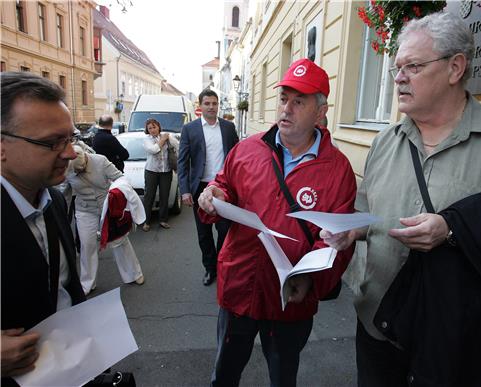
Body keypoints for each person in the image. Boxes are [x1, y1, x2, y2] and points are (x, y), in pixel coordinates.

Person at [320, 12, 481, 386]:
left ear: (455, 68)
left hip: (459, 340)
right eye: (396, 68)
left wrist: (455, 232)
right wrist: (349, 233)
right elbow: (366, 214)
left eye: (413, 66)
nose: (400, 77)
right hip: (378, 326)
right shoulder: (385, 143)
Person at [197, 58, 357, 386]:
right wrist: (213, 194)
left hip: (291, 297)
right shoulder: (247, 150)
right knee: (224, 373)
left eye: (299, 101)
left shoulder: (338, 169)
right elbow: (223, 184)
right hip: (240, 284)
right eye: (283, 98)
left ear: (321, 111)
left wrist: (312, 281)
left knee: (283, 376)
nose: (287, 108)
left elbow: (338, 236)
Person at [1, 72, 85, 385]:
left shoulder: (55, 200)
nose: (70, 153)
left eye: (70, 138)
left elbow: (64, 290)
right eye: (52, 143)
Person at [178, 89, 239, 286]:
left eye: (214, 103)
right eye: (207, 103)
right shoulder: (190, 129)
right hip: (200, 188)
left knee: (225, 231)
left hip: (223, 188)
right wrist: (185, 190)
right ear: (200, 105)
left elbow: (238, 156)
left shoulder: (229, 127)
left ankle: (221, 265)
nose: (211, 107)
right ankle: (210, 268)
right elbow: (182, 161)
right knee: (204, 233)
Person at [66, 146, 145, 295]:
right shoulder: (66, 168)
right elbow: (64, 193)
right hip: (85, 210)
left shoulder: (100, 160)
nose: (77, 173)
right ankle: (87, 284)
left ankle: (134, 274)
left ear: (86, 159)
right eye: (75, 172)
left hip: (107, 207)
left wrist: (116, 191)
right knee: (87, 245)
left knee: (120, 240)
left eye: (80, 169)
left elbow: (120, 177)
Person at [142, 118, 179, 231]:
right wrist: (163, 140)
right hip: (151, 171)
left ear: (158, 126)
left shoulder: (167, 136)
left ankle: (163, 220)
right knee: (149, 197)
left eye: (154, 127)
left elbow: (178, 146)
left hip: (166, 171)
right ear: (147, 130)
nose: (153, 130)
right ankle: (146, 221)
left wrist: (168, 139)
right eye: (150, 128)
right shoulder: (146, 139)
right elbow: (154, 150)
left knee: (164, 196)